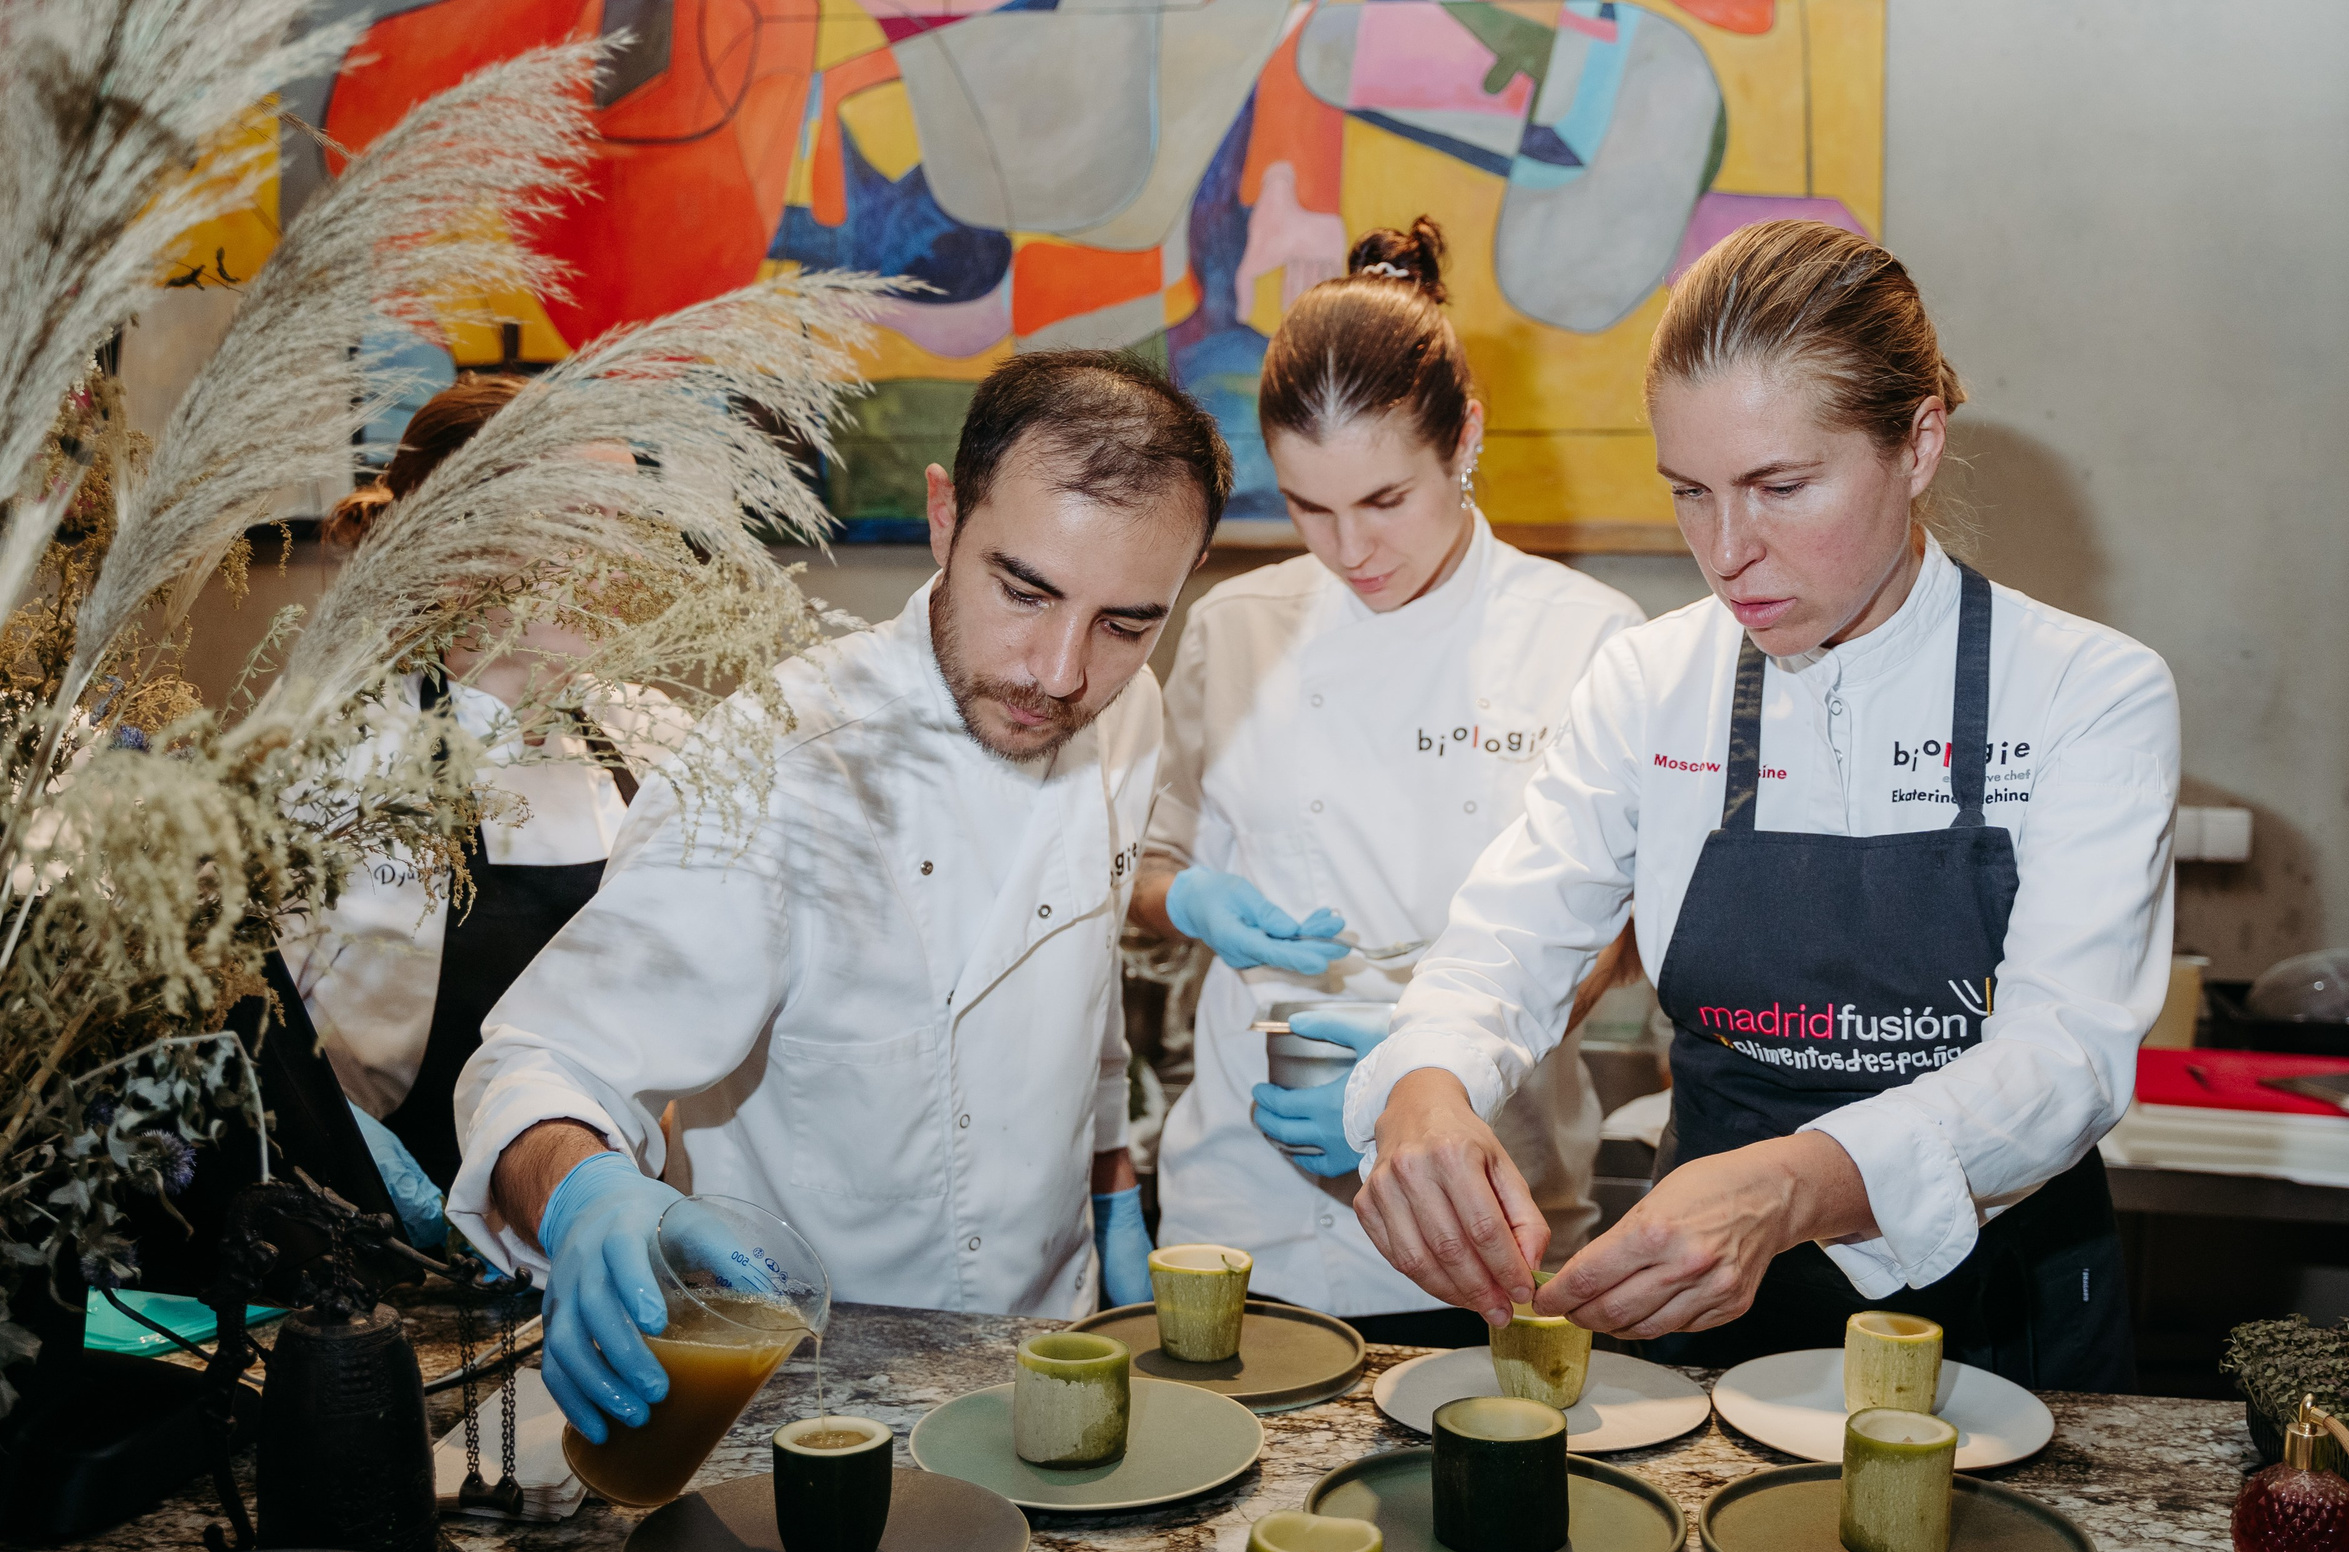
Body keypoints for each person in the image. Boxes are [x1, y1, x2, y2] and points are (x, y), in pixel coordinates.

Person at [1343, 221, 2178, 1390]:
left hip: (1997, 1310)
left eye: (1780, 487)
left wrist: (1791, 1186)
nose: (1727, 551)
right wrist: (1424, 1087)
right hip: (1701, 1302)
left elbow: (2064, 1054)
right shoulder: (1651, 681)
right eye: (1689, 493)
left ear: (1918, 443)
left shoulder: (2085, 692)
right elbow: (1506, 942)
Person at [444, 351, 1231, 1443]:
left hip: (1052, 1348)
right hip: (810, 1390)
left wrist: (1112, 1184)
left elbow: (1079, 990)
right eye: (1024, 591)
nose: (1060, 672)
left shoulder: (1125, 713)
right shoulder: (775, 766)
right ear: (946, 516)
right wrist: (582, 1195)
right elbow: (542, 1064)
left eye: (1127, 623)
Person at [1131, 220, 1644, 1346]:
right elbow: (1147, 866)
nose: (1349, 548)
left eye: (1384, 500)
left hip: (1481, 1199)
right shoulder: (1235, 627)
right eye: (1308, 507)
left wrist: (1440, 1061)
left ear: (1465, 438)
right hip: (1240, 1210)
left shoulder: (1591, 640)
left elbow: (1631, 929)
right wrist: (1191, 901)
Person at [284, 374, 679, 1198]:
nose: (624, 558)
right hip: (400, 1243)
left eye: (626, 520)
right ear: (453, 543)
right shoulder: (333, 759)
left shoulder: (654, 739)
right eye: (581, 519)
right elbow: (268, 1060)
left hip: (615, 1215)